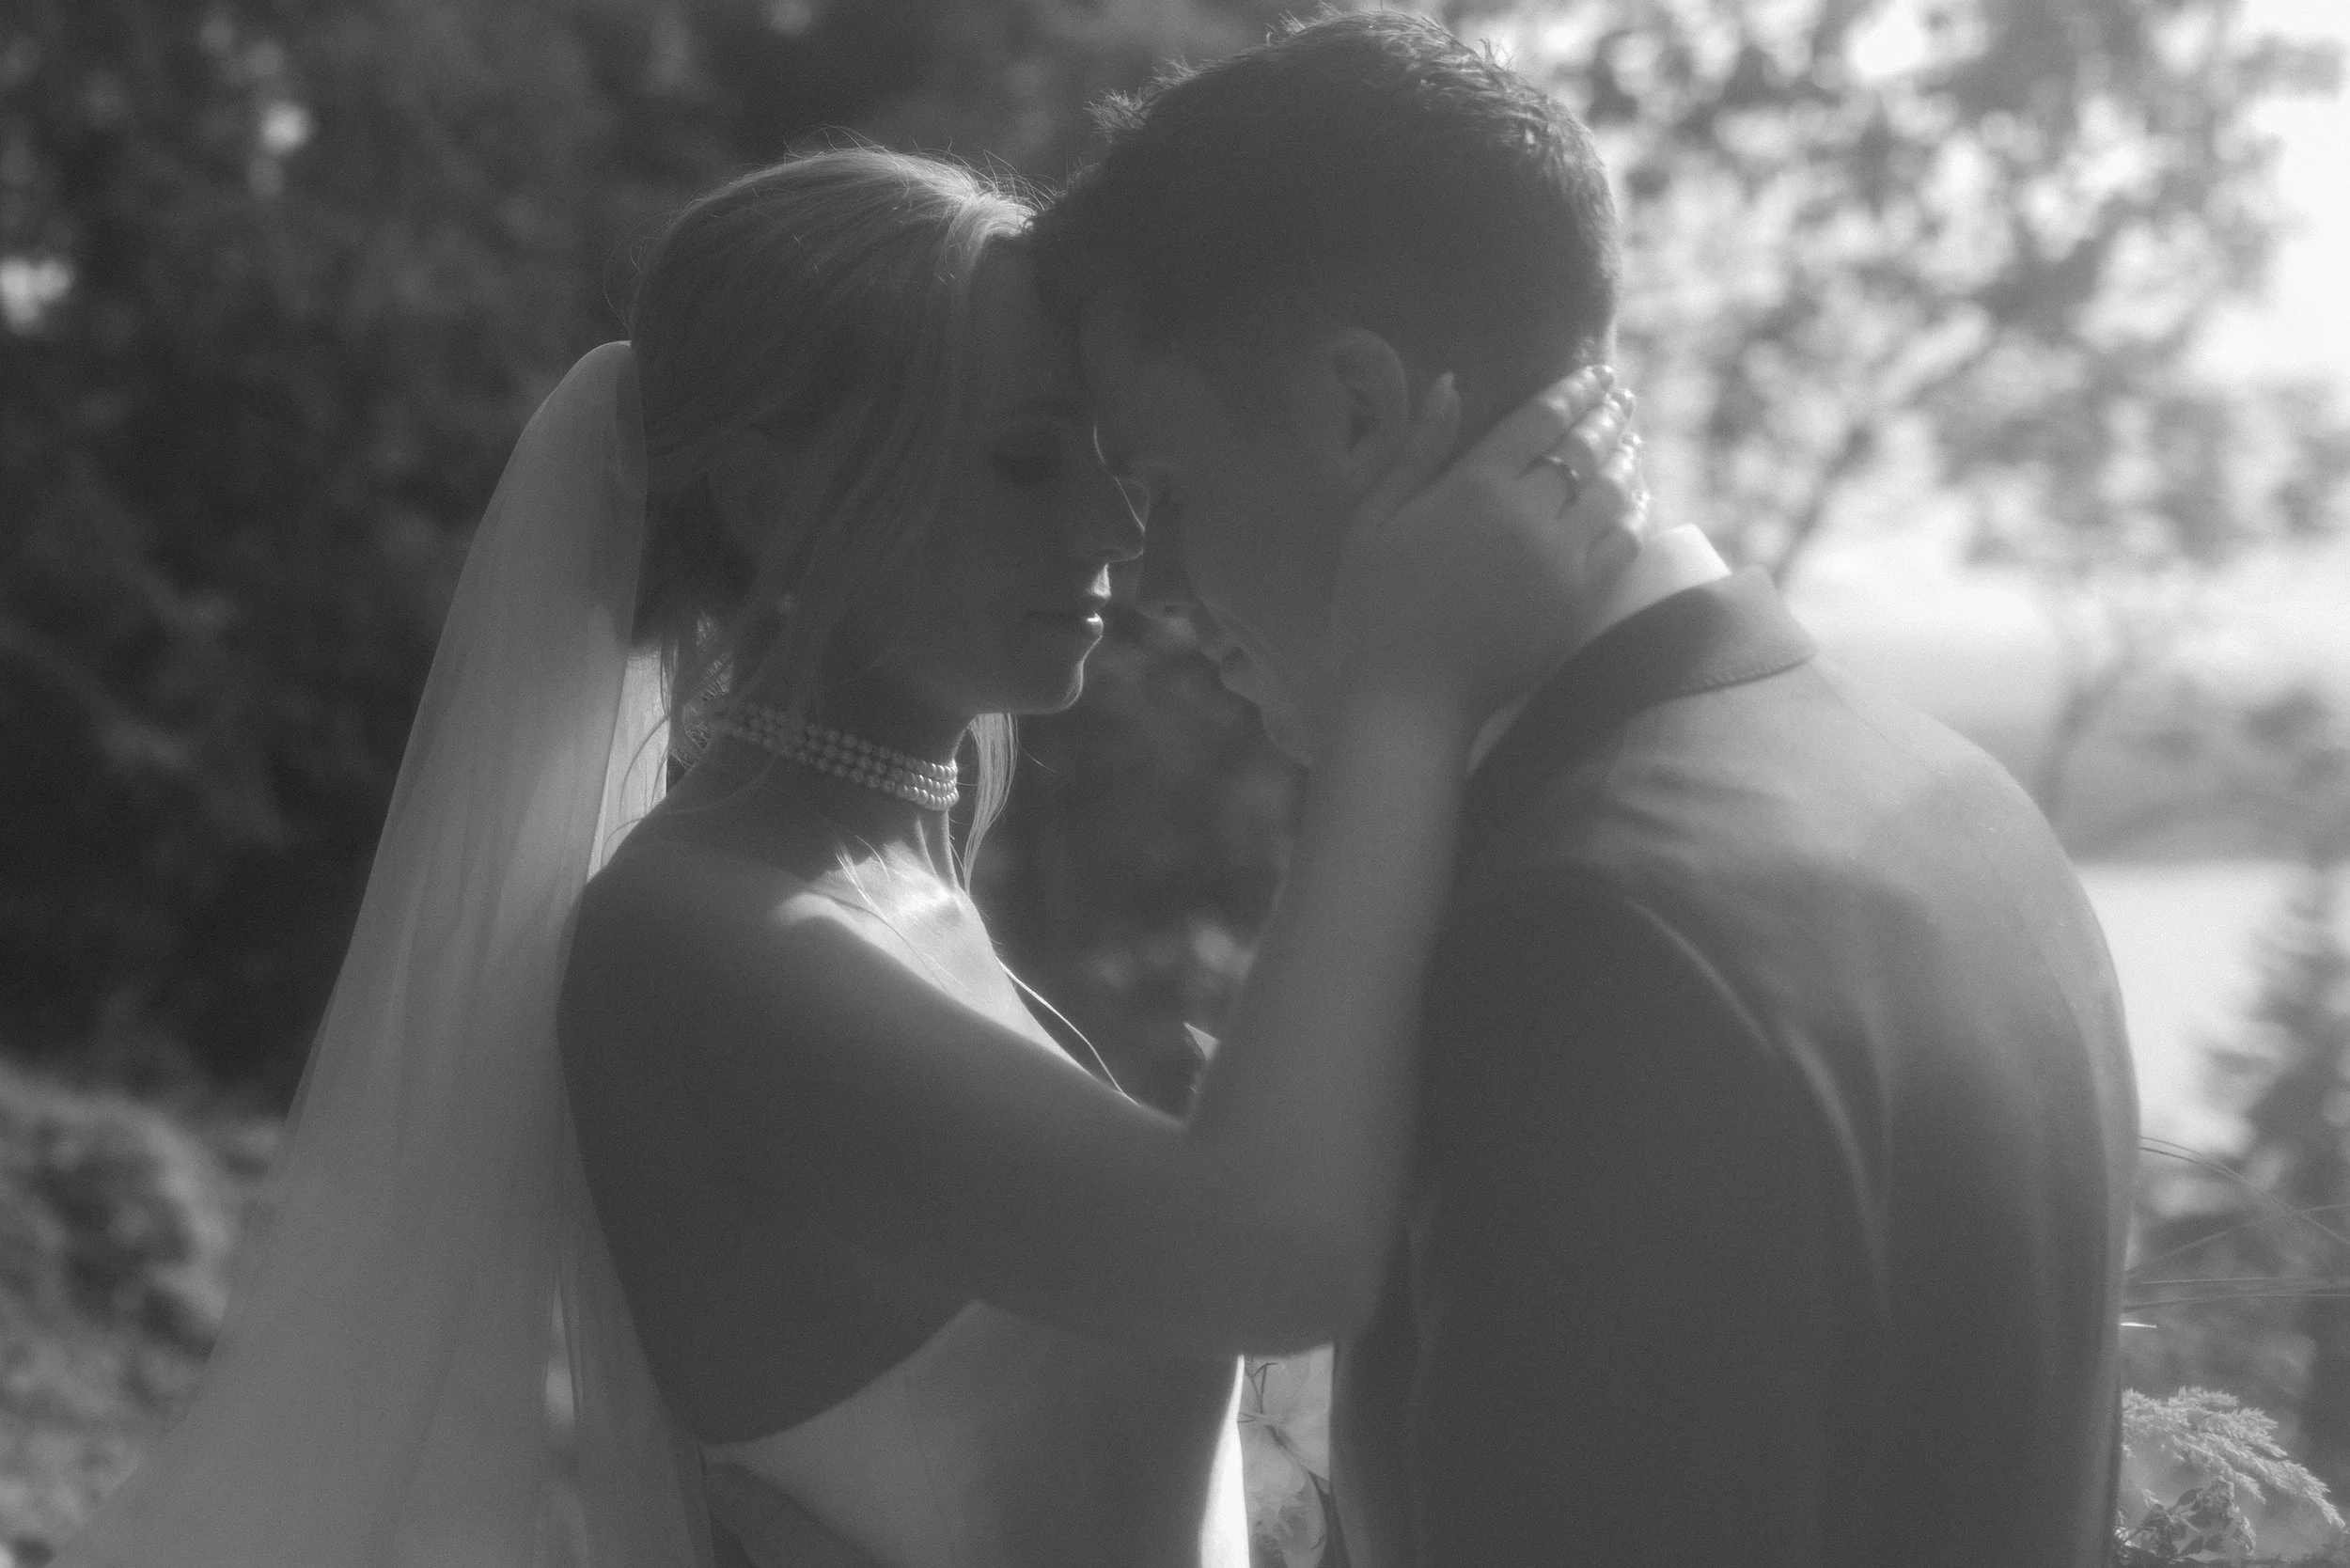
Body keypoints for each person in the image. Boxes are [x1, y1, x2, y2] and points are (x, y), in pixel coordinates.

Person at [50, 145, 1649, 1568]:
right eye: (1026, 460)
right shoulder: (703, 937)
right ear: (778, 494)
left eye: (1104, 453)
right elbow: (1269, 1258)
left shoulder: (897, 882)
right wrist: (1406, 692)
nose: (1113, 526)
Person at [1024, 12, 2140, 1568]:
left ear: (1356, 408)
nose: (1145, 584)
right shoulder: (1958, 799)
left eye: (1161, 489)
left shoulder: (1586, 935)